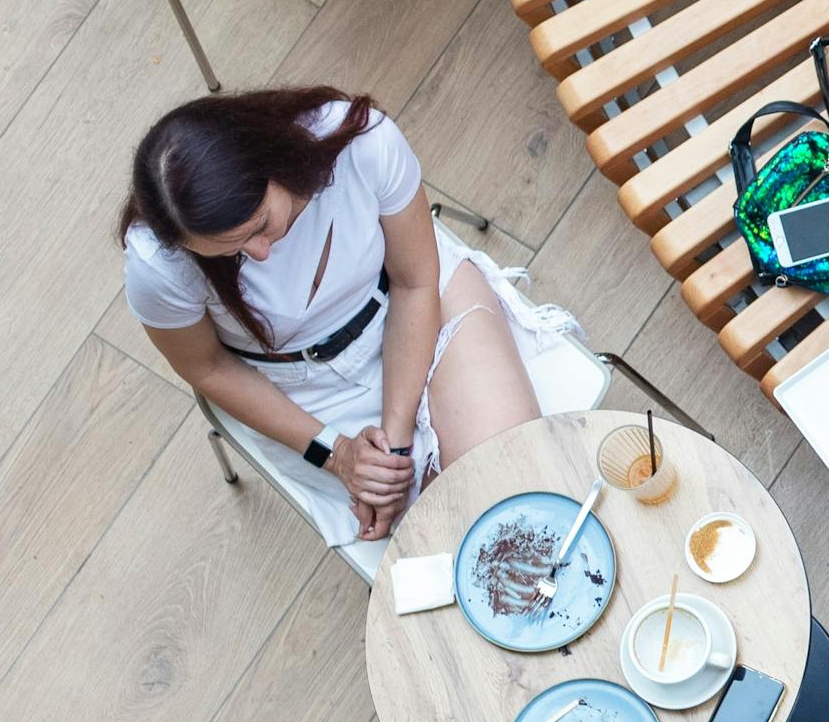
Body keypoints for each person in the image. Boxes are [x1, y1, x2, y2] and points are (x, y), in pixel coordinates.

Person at [121, 86, 558, 541]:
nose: (261, 253)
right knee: (449, 541)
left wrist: (394, 447)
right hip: (304, 393)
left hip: (418, 305)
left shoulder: (360, 143)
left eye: (259, 228)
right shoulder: (158, 263)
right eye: (231, 253)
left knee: (510, 486)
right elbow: (208, 367)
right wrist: (337, 454)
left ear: (270, 159)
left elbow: (414, 282)